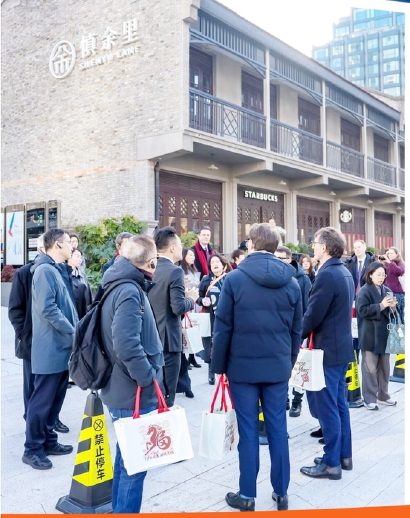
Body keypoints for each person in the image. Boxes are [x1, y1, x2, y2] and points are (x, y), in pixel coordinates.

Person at [211, 223, 302, 512]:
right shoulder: (292, 282)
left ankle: (248, 494)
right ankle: (282, 492)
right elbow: (296, 330)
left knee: (248, 431)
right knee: (278, 429)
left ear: (251, 244)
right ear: (275, 247)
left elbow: (223, 328)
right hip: (277, 367)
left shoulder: (234, 279)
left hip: (242, 368)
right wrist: (288, 362)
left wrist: (218, 367)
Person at [99, 234, 165, 514]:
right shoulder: (128, 290)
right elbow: (126, 344)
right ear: (152, 262)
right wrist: (147, 377)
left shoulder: (120, 283)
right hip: (131, 391)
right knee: (135, 466)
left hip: (123, 388)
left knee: (126, 458)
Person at [300, 227, 355, 481]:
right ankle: (344, 456)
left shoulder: (327, 274)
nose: (312, 247)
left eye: (314, 243)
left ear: (324, 247)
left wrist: (295, 336)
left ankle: (331, 463)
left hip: (327, 351)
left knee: (329, 407)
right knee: (340, 404)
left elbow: (313, 315)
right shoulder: (343, 271)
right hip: (341, 348)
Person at [23, 229, 78, 470]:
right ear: (57, 245)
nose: (72, 246)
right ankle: (32, 449)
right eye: (68, 243)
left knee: (55, 400)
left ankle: (48, 441)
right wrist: (73, 330)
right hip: (50, 348)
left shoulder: (55, 269)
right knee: (42, 401)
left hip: (61, 346)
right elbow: (48, 308)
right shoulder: (45, 270)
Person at [148, 227, 199, 406]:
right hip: (168, 339)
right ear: (172, 248)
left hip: (149, 337)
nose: (182, 248)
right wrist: (191, 298)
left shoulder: (149, 267)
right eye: (180, 245)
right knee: (167, 394)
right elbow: (177, 308)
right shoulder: (175, 271)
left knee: (153, 390)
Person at [274, 246, 311, 418]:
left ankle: (297, 399)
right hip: (279, 331)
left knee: (298, 367)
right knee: (282, 367)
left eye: (281, 258)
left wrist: (302, 329)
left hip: (297, 330)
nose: (277, 261)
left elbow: (307, 306)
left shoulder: (302, 278)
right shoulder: (273, 277)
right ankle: (285, 398)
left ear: (289, 260)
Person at [356, 262, 398, 410]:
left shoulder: (387, 290)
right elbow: (362, 311)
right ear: (370, 274)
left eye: (383, 275)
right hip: (369, 334)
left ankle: (383, 395)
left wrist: (393, 306)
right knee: (370, 369)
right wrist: (381, 305)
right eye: (378, 274)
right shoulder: (364, 291)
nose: (381, 277)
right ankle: (369, 398)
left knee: (385, 368)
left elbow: (392, 312)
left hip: (384, 334)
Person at [197, 253, 231, 385]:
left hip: (228, 316)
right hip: (211, 317)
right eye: (212, 263)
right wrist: (202, 300)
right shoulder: (206, 281)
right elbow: (198, 297)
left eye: (217, 262)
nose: (215, 264)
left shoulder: (230, 278)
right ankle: (211, 372)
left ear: (223, 265)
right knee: (212, 344)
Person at [179, 248, 202, 369]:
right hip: (186, 301)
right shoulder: (180, 270)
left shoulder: (193, 270)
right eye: (190, 255)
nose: (193, 257)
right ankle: (184, 357)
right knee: (185, 329)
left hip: (193, 303)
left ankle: (192, 357)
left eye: (194, 255)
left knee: (193, 329)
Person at [94, 232, 133, 301]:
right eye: (126, 244)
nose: (129, 247)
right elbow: (105, 289)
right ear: (118, 246)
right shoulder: (108, 266)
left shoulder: (136, 264)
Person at [67, 248, 92, 320]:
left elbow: (89, 297)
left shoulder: (82, 276)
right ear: (69, 257)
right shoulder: (64, 275)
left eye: (81, 257)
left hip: (82, 313)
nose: (80, 259)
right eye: (77, 257)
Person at [383, 247, 405, 322]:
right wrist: (382, 263)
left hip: (398, 292)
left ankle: (401, 328)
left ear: (397, 254)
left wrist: (390, 263)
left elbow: (400, 271)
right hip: (389, 292)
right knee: (391, 314)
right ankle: (392, 328)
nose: (390, 255)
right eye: (388, 253)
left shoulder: (400, 264)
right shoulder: (387, 264)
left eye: (392, 253)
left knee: (399, 313)